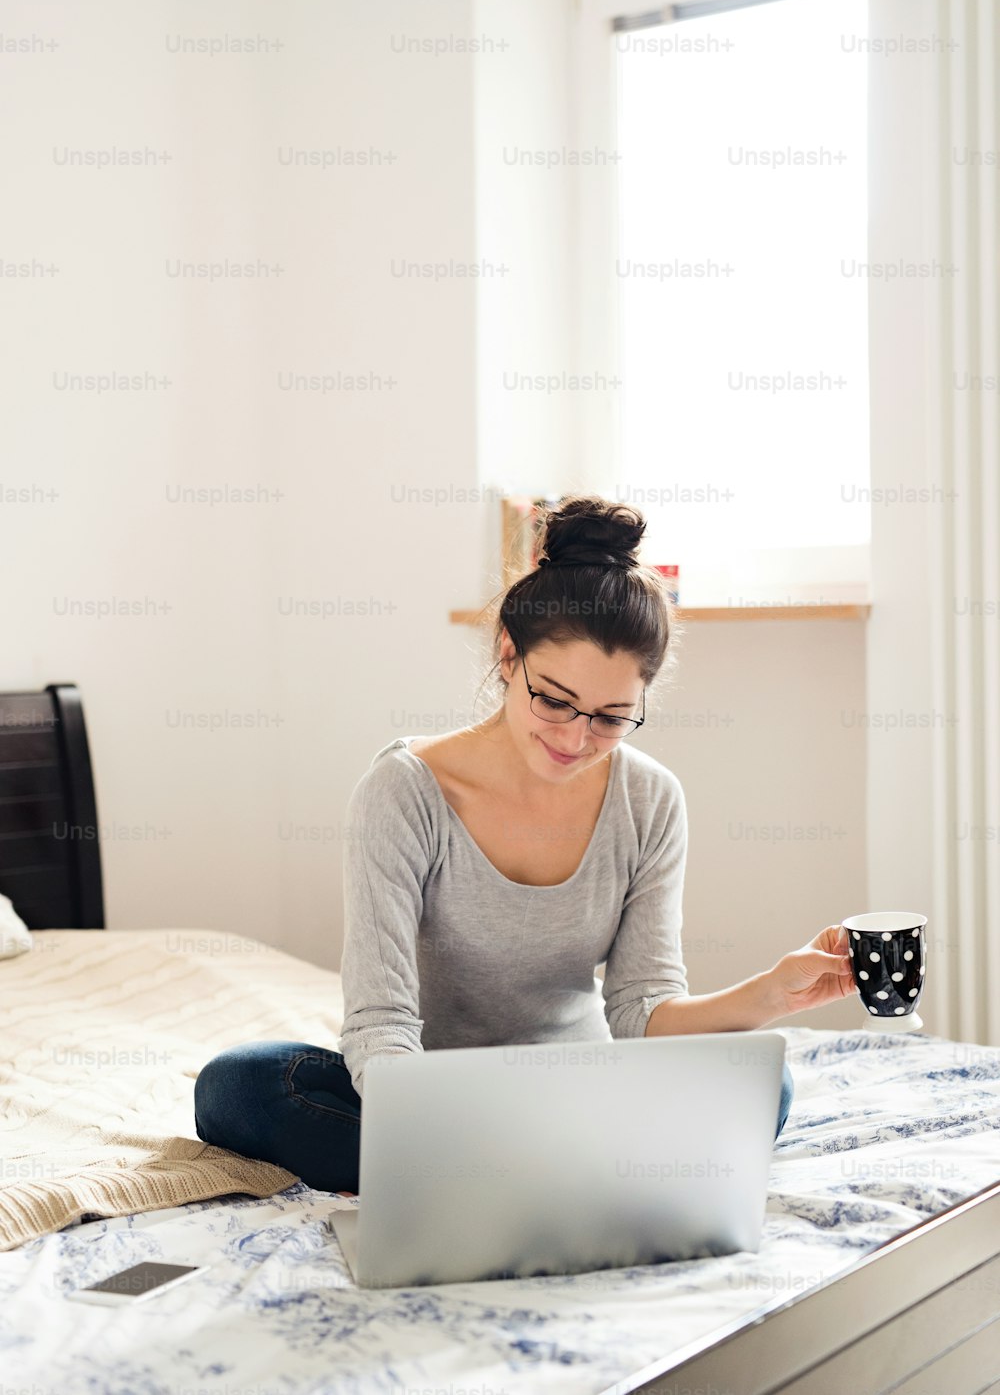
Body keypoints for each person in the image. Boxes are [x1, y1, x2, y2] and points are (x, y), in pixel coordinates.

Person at [195, 496, 856, 1193]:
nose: (575, 738)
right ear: (508, 653)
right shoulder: (403, 792)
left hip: (580, 1090)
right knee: (240, 1086)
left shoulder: (650, 800)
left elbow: (639, 1010)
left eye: (610, 717)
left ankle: (488, 1176)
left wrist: (771, 995)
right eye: (555, 700)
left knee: (764, 1081)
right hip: (433, 1095)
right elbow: (381, 1022)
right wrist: (429, 1117)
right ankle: (554, 1171)